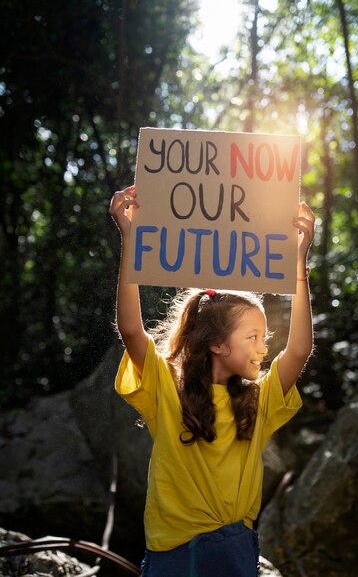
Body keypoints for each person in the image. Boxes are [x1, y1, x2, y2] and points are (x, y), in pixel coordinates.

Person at [109, 184, 315, 577]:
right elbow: (132, 330)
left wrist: (298, 271)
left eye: (265, 337)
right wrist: (130, 239)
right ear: (218, 345)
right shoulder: (166, 388)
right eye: (252, 337)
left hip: (238, 549)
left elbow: (299, 352)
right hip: (177, 553)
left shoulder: (258, 399)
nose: (263, 348)